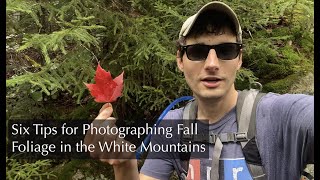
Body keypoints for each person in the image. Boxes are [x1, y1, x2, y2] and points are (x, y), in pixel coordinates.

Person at [84, 1, 314, 180]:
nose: (212, 63)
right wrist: (124, 164)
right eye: (197, 51)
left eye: (226, 50)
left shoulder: (280, 115)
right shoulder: (172, 127)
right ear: (180, 60)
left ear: (239, 59)